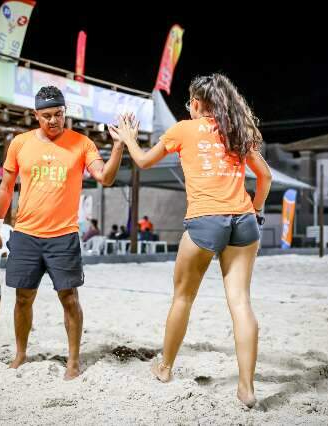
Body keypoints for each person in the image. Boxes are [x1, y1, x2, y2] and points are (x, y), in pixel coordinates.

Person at [111, 73, 272, 408]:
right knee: (240, 303)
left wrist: (127, 137)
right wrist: (255, 209)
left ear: (196, 103)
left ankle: (165, 368)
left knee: (183, 298)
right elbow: (265, 177)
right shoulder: (238, 130)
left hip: (205, 221)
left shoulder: (183, 129)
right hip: (243, 221)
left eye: (190, 102)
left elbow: (141, 161)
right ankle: (246, 388)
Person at [0, 86, 124, 380]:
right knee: (23, 299)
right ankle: (21, 354)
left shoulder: (82, 143)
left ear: (65, 113)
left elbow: (106, 177)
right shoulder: (20, 144)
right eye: (47, 115)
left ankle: (73, 362)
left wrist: (118, 147)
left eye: (59, 114)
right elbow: (5, 189)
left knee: (70, 298)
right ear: (35, 115)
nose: (53, 120)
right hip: (25, 235)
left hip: (63, 236)